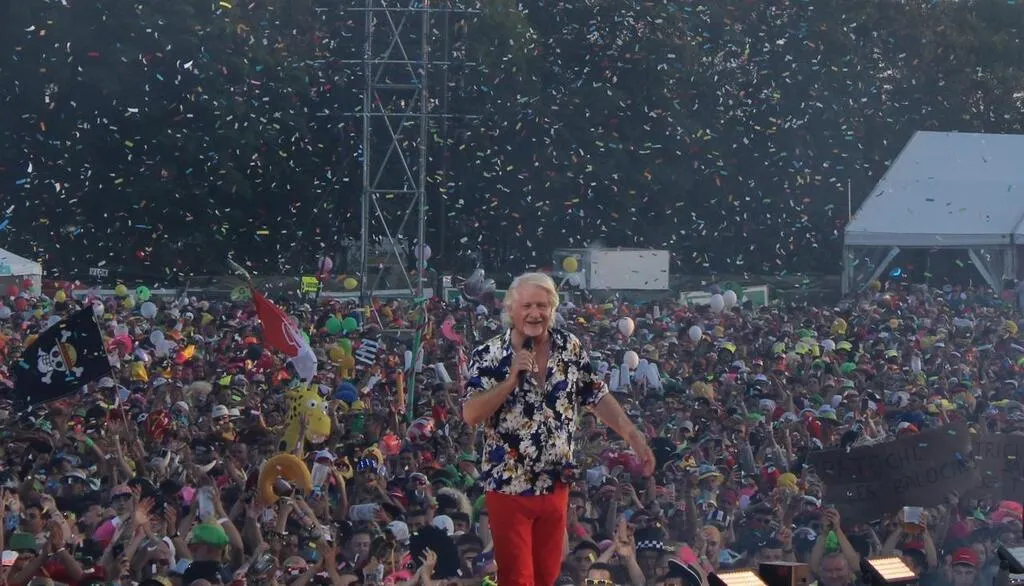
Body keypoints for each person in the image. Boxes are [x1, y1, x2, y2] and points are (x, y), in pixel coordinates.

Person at [462, 272, 655, 586]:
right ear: (511, 310)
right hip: (509, 486)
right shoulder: (489, 354)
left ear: (552, 309)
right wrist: (510, 381)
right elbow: (470, 413)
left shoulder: (569, 346)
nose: (535, 313)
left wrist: (633, 435)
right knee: (517, 579)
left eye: (542, 305)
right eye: (527, 306)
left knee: (547, 577)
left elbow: (596, 394)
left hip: (555, 485)